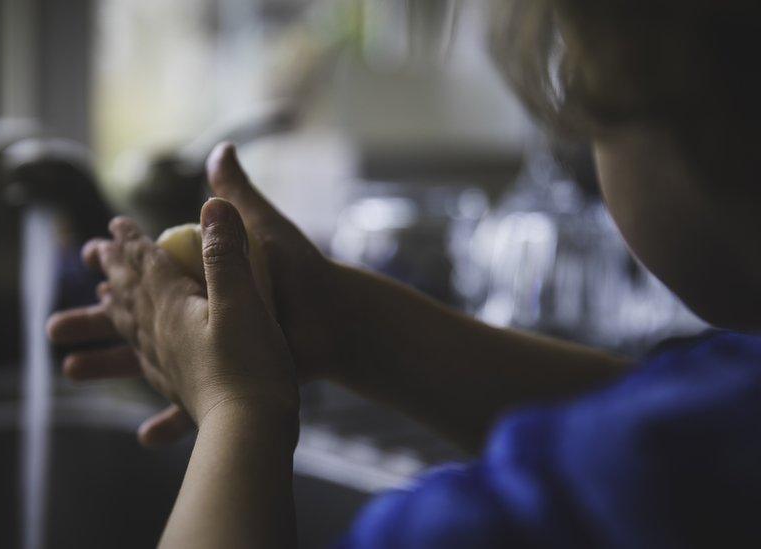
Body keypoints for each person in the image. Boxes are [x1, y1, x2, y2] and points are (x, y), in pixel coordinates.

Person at [46, 0, 761, 547]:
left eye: (586, 109)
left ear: (700, 127)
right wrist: (352, 327)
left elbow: (644, 442)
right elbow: (658, 408)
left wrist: (238, 413)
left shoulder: (568, 505)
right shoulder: (716, 425)